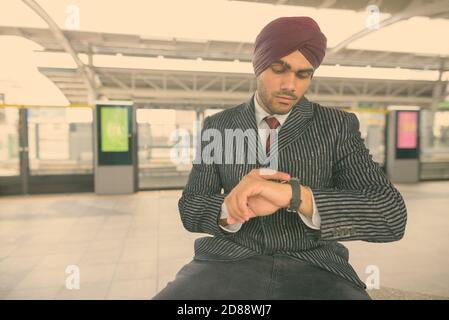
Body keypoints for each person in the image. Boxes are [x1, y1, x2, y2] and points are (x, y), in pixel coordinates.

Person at [152, 16, 407, 300]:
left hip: (316, 266)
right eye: (279, 69)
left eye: (303, 74)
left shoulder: (336, 126)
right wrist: (230, 208)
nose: (290, 85)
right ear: (258, 65)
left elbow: (390, 214)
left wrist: (295, 197)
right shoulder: (219, 127)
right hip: (227, 261)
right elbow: (190, 206)